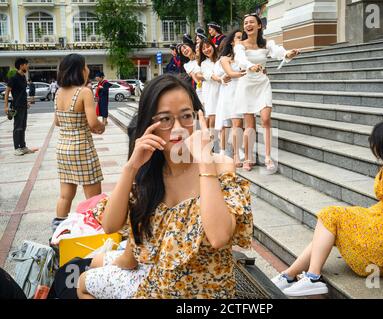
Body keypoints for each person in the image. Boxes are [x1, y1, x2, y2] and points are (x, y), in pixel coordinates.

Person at [76, 74, 253, 299]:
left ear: (199, 119)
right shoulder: (151, 173)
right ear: (151, 125)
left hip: (201, 294)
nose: (178, 128)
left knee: (83, 281)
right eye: (165, 119)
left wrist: (205, 159)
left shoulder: (220, 166)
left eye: (186, 116)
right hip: (157, 281)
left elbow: (219, 237)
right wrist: (131, 167)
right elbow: (110, 225)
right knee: (87, 274)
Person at [271, 121, 383, 297]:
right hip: (381, 216)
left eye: (376, 143)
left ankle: (312, 277)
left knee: (330, 215)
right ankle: (290, 276)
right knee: (330, 221)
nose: (373, 147)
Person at [234, 13, 300, 172]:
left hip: (262, 83)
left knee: (265, 119)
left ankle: (268, 157)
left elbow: (278, 52)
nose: (248, 25)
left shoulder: (266, 44)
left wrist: (287, 54)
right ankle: (248, 158)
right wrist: (250, 66)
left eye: (251, 22)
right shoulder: (240, 45)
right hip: (246, 84)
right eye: (245, 23)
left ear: (258, 26)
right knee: (249, 124)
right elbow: (240, 59)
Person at [53, 54, 105, 232]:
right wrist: (101, 126)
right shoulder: (84, 92)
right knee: (93, 198)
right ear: (80, 70)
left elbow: (58, 122)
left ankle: (57, 232)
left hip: (63, 149)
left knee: (65, 196)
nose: (88, 69)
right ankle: (93, 231)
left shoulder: (58, 92)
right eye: (86, 66)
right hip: (82, 148)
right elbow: (92, 122)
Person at [215, 30, 246, 166]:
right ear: (232, 41)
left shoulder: (244, 57)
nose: (241, 40)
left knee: (244, 125)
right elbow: (230, 73)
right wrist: (248, 71)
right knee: (236, 124)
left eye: (242, 38)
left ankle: (242, 149)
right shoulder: (224, 59)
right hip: (231, 93)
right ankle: (236, 154)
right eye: (238, 38)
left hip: (245, 91)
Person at [3, 58, 35, 156]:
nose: (27, 66)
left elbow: (22, 92)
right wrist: (6, 106)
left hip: (23, 106)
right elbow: (7, 91)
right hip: (16, 106)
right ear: (21, 66)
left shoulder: (23, 77)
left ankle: (23, 147)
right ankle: (17, 148)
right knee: (18, 127)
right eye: (26, 64)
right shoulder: (14, 78)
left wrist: (26, 102)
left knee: (23, 126)